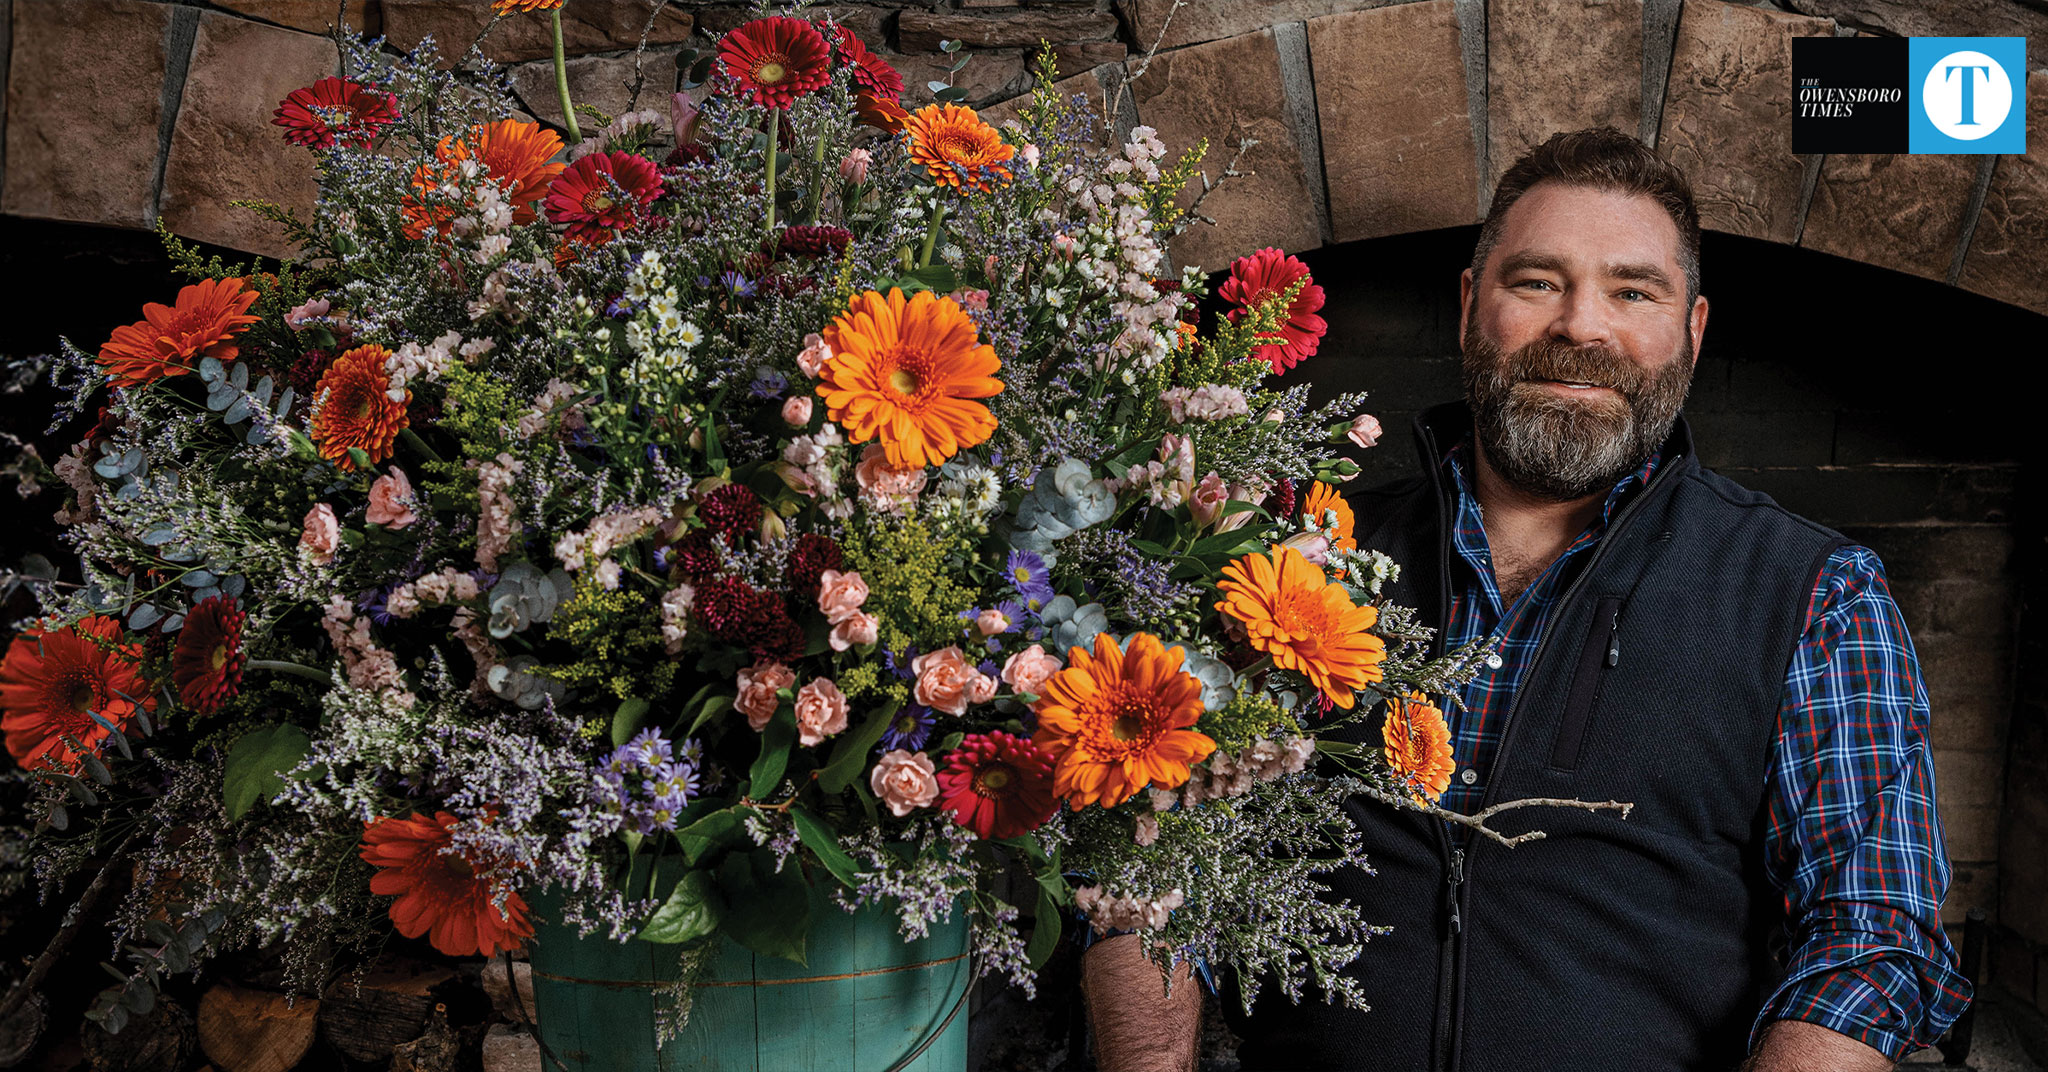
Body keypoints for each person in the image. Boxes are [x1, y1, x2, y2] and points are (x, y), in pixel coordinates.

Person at [1081, 127, 1970, 1071]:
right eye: (1539, 281)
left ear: (1694, 330)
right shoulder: (1292, 557)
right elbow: (1146, 863)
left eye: (1633, 292)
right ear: (1472, 305)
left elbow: (1871, 939)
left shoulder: (1816, 594)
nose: (1581, 326)